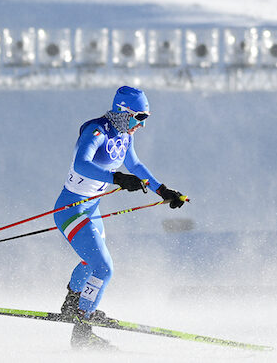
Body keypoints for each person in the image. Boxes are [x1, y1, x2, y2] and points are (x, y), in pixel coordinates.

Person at [54, 86, 186, 349]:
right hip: (71, 209)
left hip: (91, 209)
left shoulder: (125, 135)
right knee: (104, 268)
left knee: (91, 263)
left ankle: (72, 305)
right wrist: (117, 178)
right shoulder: (96, 131)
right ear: (123, 112)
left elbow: (135, 165)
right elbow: (82, 163)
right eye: (139, 117)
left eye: (145, 118)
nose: (142, 124)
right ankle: (82, 331)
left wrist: (163, 191)